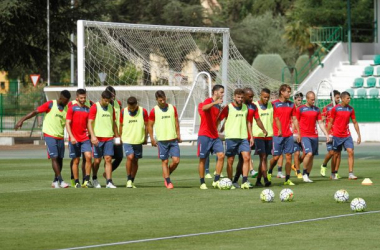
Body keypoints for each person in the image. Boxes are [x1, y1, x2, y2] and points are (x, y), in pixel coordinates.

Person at [15, 90, 71, 188]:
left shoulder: (66, 109)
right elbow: (35, 112)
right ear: (61, 98)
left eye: (68, 101)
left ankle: (55, 181)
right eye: (66, 101)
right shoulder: (50, 104)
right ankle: (61, 181)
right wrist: (21, 120)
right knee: (54, 157)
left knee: (60, 159)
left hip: (60, 136)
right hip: (49, 135)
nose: (67, 103)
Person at [231, 87, 267, 188]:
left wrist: (263, 129)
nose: (251, 99)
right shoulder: (239, 106)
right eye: (249, 97)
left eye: (252, 97)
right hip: (238, 136)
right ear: (244, 96)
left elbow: (257, 119)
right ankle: (234, 180)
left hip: (248, 137)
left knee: (245, 159)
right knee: (240, 160)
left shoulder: (253, 107)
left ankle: (242, 181)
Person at [268, 84, 300, 186]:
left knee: (289, 156)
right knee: (276, 157)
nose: (289, 94)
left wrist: (298, 132)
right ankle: (269, 171)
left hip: (288, 135)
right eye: (288, 91)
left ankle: (287, 179)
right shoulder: (273, 104)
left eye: (290, 92)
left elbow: (294, 119)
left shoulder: (291, 105)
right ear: (282, 92)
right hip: (277, 135)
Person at [148, 90, 181, 189]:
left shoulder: (172, 108)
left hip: (173, 139)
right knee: (165, 162)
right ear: (157, 100)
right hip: (162, 140)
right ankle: (168, 181)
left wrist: (178, 134)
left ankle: (167, 173)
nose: (163, 101)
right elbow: (149, 125)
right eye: (160, 100)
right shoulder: (154, 110)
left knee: (176, 161)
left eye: (164, 99)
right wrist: (152, 138)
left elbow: (176, 122)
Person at [88, 90, 120, 188]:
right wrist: (92, 136)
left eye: (109, 101)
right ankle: (94, 178)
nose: (107, 103)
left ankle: (109, 181)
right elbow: (89, 123)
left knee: (108, 159)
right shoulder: (94, 107)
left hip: (109, 137)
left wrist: (117, 134)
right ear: (102, 98)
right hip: (98, 138)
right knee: (97, 160)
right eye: (106, 101)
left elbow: (113, 122)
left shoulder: (111, 107)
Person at [296, 91, 330, 182]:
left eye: (314, 99)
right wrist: (298, 133)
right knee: (309, 153)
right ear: (307, 99)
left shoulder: (316, 109)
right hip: (304, 135)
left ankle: (307, 175)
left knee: (312, 156)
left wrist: (326, 134)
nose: (313, 101)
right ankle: (303, 173)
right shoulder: (300, 109)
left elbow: (320, 122)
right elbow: (295, 121)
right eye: (312, 99)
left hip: (314, 136)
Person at [327, 91, 361, 180]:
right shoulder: (335, 109)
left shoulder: (351, 109)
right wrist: (327, 134)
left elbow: (355, 122)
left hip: (347, 135)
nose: (349, 100)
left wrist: (359, 135)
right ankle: (333, 173)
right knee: (336, 154)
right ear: (342, 99)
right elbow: (330, 122)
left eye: (350, 98)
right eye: (347, 98)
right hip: (337, 135)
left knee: (351, 151)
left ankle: (351, 173)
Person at [197, 85, 225, 190]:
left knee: (221, 155)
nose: (223, 94)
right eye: (221, 92)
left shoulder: (218, 106)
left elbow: (216, 120)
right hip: (204, 135)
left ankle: (216, 180)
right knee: (202, 159)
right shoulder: (208, 101)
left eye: (223, 92)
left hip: (214, 135)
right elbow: (204, 108)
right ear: (215, 92)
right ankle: (202, 182)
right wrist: (214, 103)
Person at [65, 89, 92, 188]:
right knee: (76, 160)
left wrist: (91, 135)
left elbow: (89, 124)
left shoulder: (88, 109)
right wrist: (71, 136)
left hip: (85, 138)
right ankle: (76, 182)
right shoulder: (72, 108)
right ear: (77, 98)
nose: (83, 99)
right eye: (81, 98)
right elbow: (67, 123)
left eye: (84, 97)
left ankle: (87, 180)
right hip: (74, 138)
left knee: (89, 157)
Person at [119, 96, 148, 188]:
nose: (131, 109)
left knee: (135, 161)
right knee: (130, 157)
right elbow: (120, 125)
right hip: (127, 139)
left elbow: (147, 126)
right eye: (129, 107)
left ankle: (132, 180)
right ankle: (128, 179)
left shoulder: (143, 111)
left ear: (136, 105)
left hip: (138, 140)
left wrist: (146, 138)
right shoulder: (123, 111)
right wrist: (120, 136)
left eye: (133, 107)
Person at [252, 88, 273, 187]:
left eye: (268, 97)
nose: (266, 99)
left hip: (269, 136)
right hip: (258, 135)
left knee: (264, 159)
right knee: (263, 157)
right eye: (265, 97)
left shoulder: (270, 106)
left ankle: (258, 181)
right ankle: (265, 179)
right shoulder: (255, 106)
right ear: (260, 95)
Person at [320, 90, 341, 177]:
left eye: (339, 97)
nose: (338, 99)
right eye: (337, 97)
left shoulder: (340, 107)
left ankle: (335, 172)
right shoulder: (327, 108)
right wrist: (325, 131)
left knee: (338, 153)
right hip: (330, 133)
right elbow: (321, 120)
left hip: (339, 133)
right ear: (332, 98)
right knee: (332, 152)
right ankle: (324, 165)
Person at [104, 86, 124, 176]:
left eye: (114, 94)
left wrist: (120, 134)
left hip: (116, 135)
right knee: (107, 157)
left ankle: (107, 173)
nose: (113, 96)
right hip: (105, 134)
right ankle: (95, 177)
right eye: (111, 95)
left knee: (119, 157)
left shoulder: (118, 103)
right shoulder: (102, 105)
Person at [291, 92, 304, 179]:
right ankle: (298, 171)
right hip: (294, 133)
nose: (300, 102)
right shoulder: (291, 108)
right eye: (298, 100)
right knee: (297, 153)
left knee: (306, 153)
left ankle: (295, 165)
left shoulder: (303, 109)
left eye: (301, 100)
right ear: (294, 100)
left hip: (303, 133)